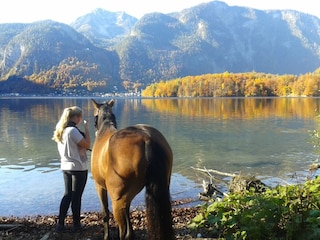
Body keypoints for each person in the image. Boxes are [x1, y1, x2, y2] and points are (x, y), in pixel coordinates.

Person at [52, 106, 91, 232]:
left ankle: (61, 224)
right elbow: (87, 144)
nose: (81, 119)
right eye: (81, 117)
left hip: (65, 166)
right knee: (76, 197)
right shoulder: (72, 131)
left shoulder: (61, 130)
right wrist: (86, 129)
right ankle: (76, 225)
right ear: (77, 117)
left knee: (67, 195)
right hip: (78, 167)